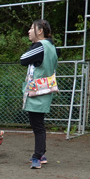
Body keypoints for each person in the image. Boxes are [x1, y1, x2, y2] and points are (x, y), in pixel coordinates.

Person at [21, 19, 58, 169]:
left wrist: (33, 47)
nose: (29, 31)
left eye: (31, 28)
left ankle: (38, 156)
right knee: (39, 125)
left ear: (40, 30)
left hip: (37, 92)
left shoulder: (41, 46)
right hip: (45, 89)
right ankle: (40, 154)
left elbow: (23, 59)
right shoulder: (51, 46)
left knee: (38, 126)